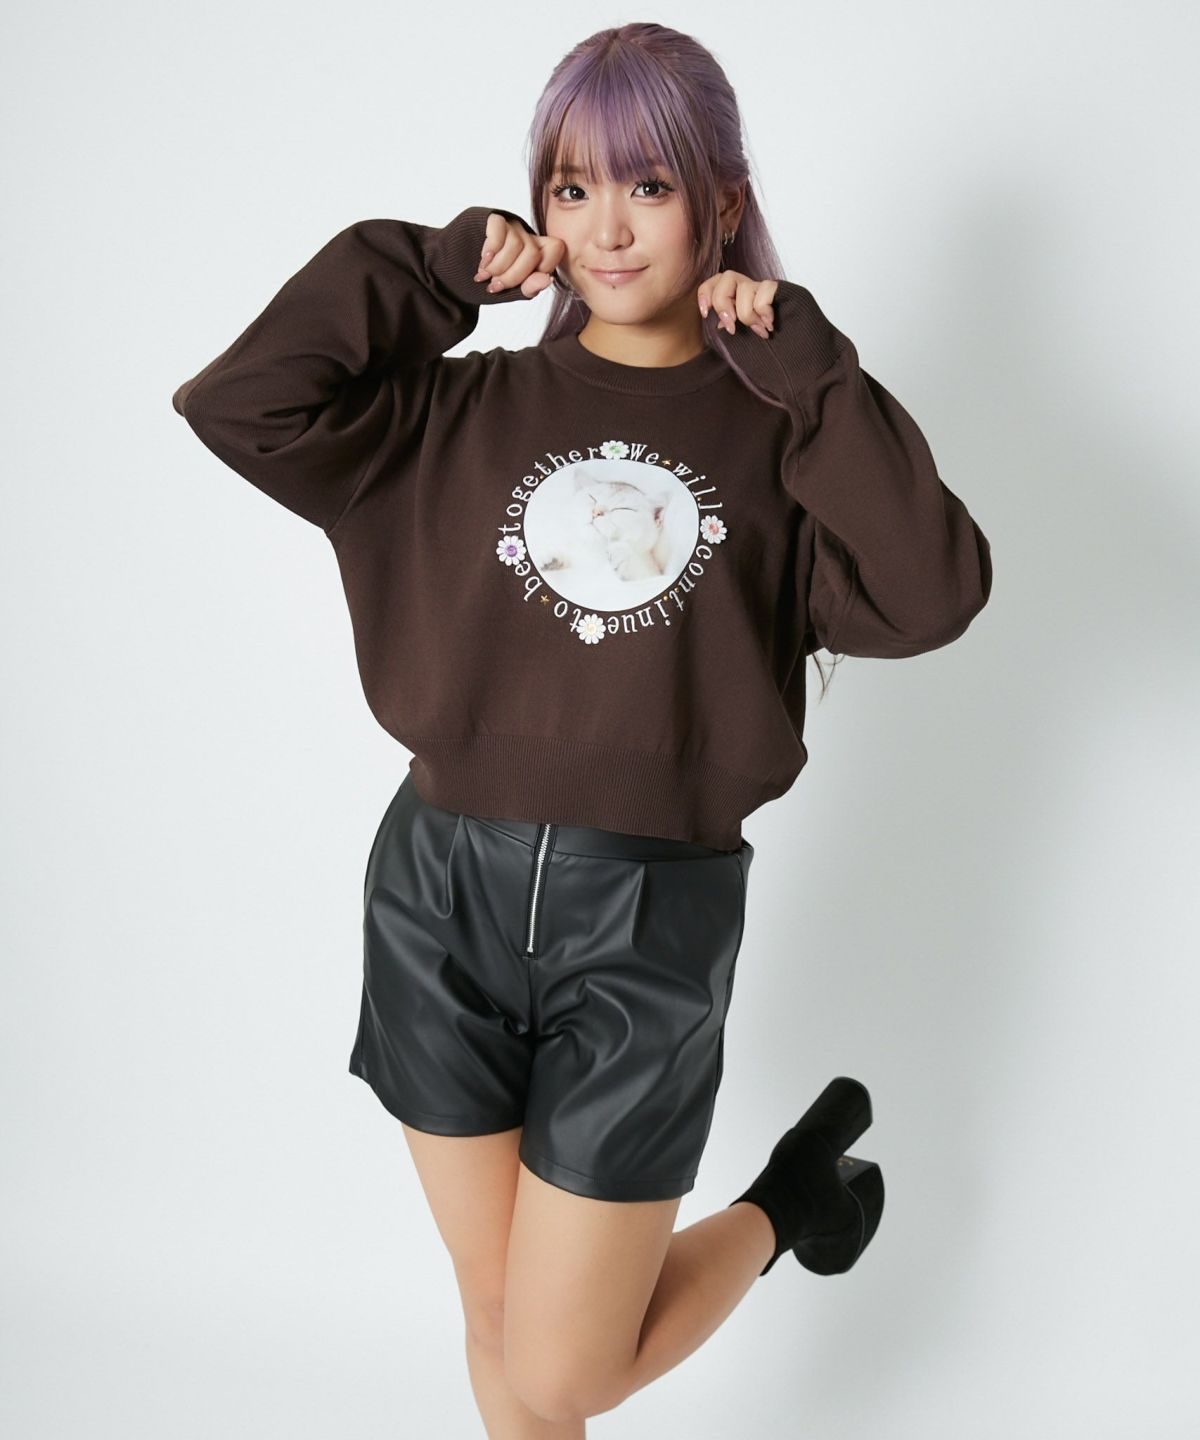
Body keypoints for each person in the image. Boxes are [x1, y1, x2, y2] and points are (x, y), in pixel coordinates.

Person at [171, 20, 992, 1432]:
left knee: (559, 1364)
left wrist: (814, 374)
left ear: (719, 202)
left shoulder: (782, 436)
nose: (607, 228)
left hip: (648, 914)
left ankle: (787, 1203)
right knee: (500, 1324)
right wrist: (425, 275)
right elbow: (239, 404)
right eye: (572, 187)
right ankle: (802, 1197)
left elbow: (934, 593)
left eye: (649, 186)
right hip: (440, 890)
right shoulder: (455, 410)